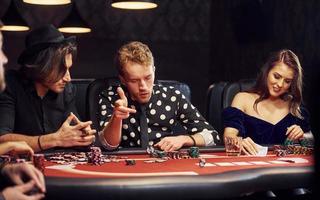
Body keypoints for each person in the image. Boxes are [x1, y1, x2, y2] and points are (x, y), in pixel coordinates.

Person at [98, 41, 220, 151]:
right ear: (123, 80)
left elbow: (212, 136)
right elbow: (108, 144)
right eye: (134, 81)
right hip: (124, 166)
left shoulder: (172, 96)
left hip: (164, 163)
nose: (143, 87)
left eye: (148, 77)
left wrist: (183, 139)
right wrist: (117, 118)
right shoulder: (110, 96)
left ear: (154, 71)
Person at [0, 24, 95, 152]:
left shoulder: (67, 89)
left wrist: (82, 136)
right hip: (19, 167)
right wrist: (54, 139)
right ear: (41, 65)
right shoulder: (9, 84)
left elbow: (72, 134)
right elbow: (2, 140)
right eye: (62, 69)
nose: (68, 78)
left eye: (68, 69)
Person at [223, 49, 311, 155]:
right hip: (249, 165)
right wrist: (239, 141)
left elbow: (310, 140)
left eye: (287, 81)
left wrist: (302, 136)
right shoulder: (242, 99)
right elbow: (229, 134)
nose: (280, 84)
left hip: (284, 167)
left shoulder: (294, 106)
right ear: (267, 72)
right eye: (277, 76)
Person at [0, 21, 45, 200]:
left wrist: (5, 170)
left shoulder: (66, 93)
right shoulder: (13, 86)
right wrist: (4, 197)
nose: (4, 58)